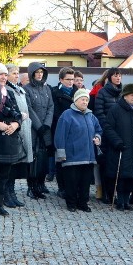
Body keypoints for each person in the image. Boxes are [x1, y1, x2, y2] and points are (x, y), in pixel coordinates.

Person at [0, 63, 24, 216]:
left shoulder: (9, 92)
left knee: (4, 176)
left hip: (9, 138)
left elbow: (18, 113)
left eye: (5, 74)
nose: (3, 77)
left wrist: (16, 124)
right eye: (0, 74)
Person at [55, 89, 102, 212]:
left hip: (88, 156)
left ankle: (83, 203)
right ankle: (71, 203)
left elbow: (99, 129)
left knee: (85, 183)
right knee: (71, 182)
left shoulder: (91, 116)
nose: (85, 102)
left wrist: (97, 137)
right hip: (72, 156)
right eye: (83, 99)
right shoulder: (67, 115)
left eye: (87, 100)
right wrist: (61, 153)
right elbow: (60, 135)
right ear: (76, 100)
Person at [102, 83, 133, 211]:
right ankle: (120, 200)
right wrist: (117, 142)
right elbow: (108, 128)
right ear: (125, 96)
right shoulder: (115, 109)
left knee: (132, 177)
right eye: (131, 95)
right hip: (121, 148)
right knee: (121, 175)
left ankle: (127, 200)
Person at [92, 68, 123, 202]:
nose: (118, 78)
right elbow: (99, 113)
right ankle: (105, 192)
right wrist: (108, 128)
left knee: (117, 164)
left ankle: (115, 193)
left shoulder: (122, 93)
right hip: (106, 133)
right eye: (115, 76)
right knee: (105, 164)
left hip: (119, 133)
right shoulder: (102, 92)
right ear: (109, 77)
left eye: (119, 76)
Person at [24, 62, 53, 199]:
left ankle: (40, 185)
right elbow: (29, 109)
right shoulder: (27, 89)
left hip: (45, 129)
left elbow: (51, 107)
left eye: (42, 72)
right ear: (32, 74)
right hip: (34, 129)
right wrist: (38, 126)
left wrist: (47, 124)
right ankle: (32, 186)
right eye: (37, 72)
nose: (40, 75)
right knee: (34, 158)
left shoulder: (47, 89)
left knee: (44, 158)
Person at [4, 64, 30, 208]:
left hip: (21, 128)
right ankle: (6, 194)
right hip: (11, 128)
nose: (16, 75)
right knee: (10, 164)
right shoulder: (6, 90)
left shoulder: (18, 89)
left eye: (17, 73)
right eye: (13, 73)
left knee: (15, 165)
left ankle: (11, 192)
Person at [51, 67, 77, 197]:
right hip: (60, 130)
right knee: (61, 160)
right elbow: (54, 113)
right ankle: (61, 187)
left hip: (76, 132)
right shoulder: (55, 93)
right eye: (68, 79)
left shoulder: (78, 92)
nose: (71, 82)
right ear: (61, 79)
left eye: (72, 79)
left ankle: (72, 187)